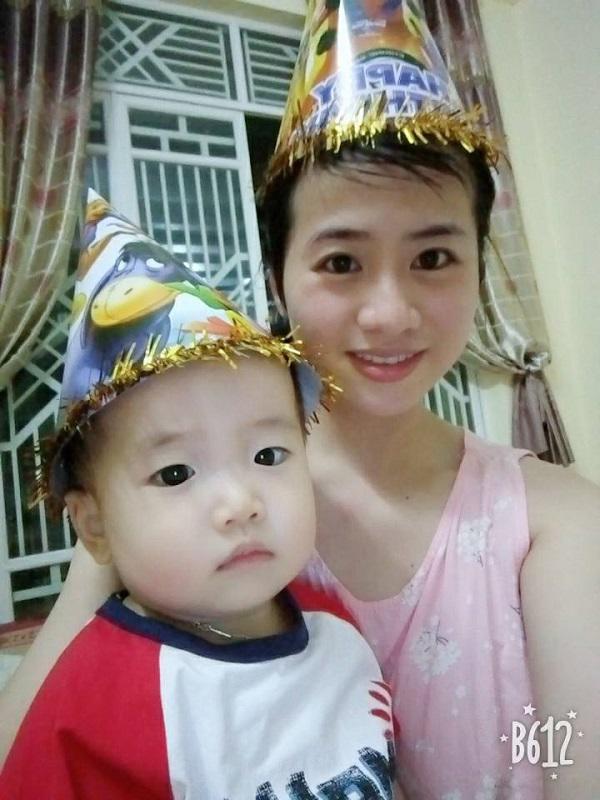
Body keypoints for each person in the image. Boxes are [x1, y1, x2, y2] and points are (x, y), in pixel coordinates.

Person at [1, 2, 599, 798]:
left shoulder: (556, 521)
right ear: (278, 281)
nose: (389, 313)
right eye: (342, 262)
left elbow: (569, 752)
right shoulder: (182, 506)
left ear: (479, 274)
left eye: (433, 257)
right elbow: (31, 752)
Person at [0, 194, 400, 799]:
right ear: (94, 525)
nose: (240, 503)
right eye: (175, 474)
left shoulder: (336, 624)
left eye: (268, 456)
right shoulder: (89, 706)